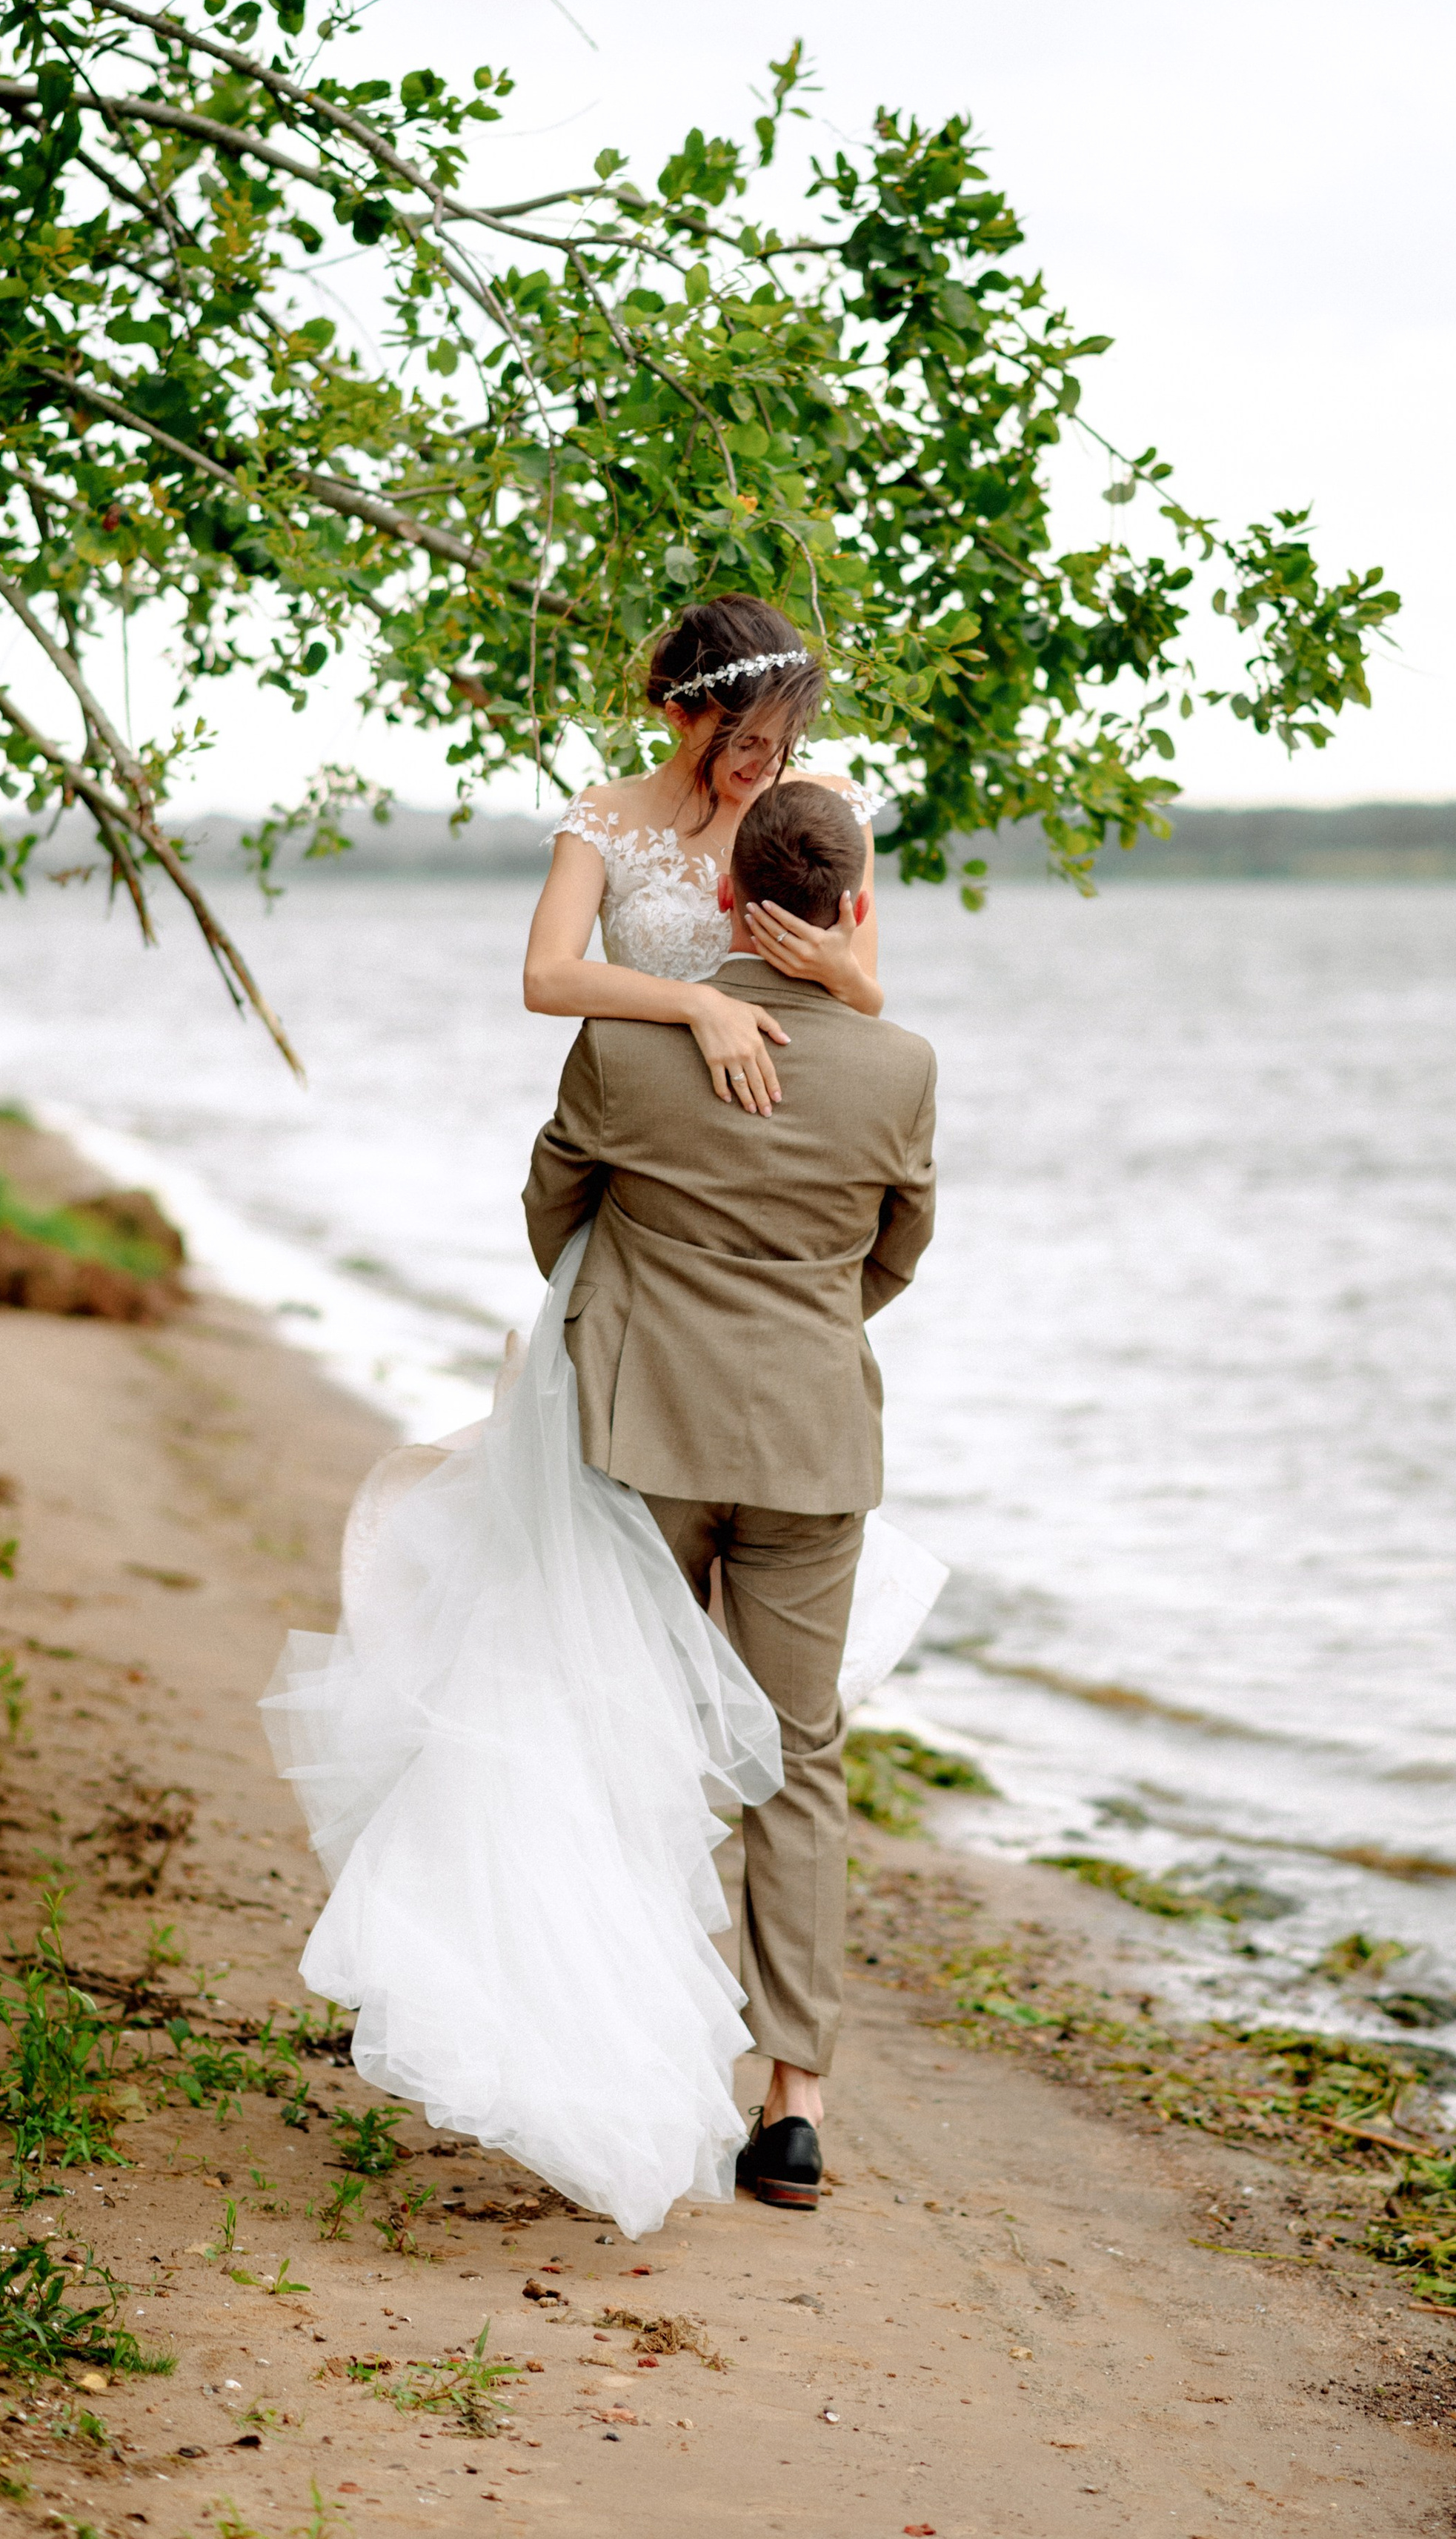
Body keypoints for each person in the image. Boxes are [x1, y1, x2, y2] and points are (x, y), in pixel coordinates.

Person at [521, 776, 937, 2211]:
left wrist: (644, 1304)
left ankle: (616, 2061)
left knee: (627, 1735)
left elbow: (550, 1214)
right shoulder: (900, 1065)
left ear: (716, 898)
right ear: (854, 911)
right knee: (795, 1757)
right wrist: (807, 1324)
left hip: (647, 1426)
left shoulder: (624, 1049)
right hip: (812, 1439)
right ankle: (795, 2102)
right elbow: (896, 1251)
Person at [522, 591, 880, 1115]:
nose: (767, 764)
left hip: (799, 1112)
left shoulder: (833, 809)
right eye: (747, 741)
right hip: (652, 1106)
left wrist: (838, 970)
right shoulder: (604, 816)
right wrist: (699, 1004)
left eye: (784, 741)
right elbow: (545, 978)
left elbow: (869, 1002)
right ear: (680, 716)